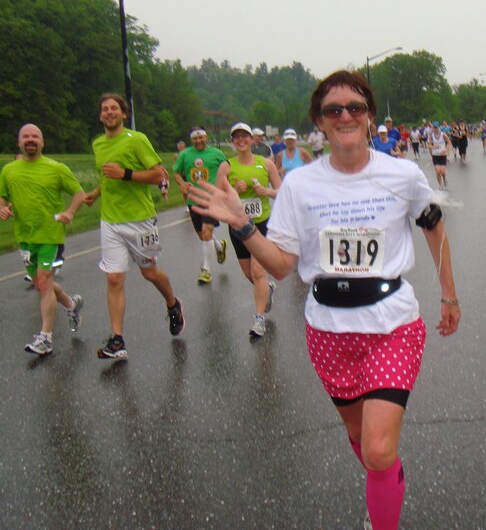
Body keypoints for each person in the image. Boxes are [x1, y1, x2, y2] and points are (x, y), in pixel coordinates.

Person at [189, 70, 460, 530]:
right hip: (329, 329)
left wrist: (449, 295)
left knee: (376, 448)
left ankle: (383, 504)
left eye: (355, 107)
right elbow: (278, 266)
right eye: (334, 110)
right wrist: (240, 224)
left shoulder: (402, 174)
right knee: (359, 437)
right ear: (320, 120)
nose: (345, 116)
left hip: (392, 321)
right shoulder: (300, 185)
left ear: (370, 117)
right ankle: (386, 476)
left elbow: (433, 224)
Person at [84, 93, 185, 359]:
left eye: (114, 108)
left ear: (124, 114)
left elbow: (159, 174)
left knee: (150, 273)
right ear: (100, 115)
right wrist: (96, 192)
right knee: (114, 277)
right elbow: (107, 178)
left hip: (140, 219)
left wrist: (126, 174)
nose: (109, 112)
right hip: (110, 221)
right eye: (104, 109)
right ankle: (117, 340)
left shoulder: (136, 140)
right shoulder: (97, 144)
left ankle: (173, 304)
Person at [0, 124, 86, 355]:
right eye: (25, 136)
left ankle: (45, 338)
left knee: (44, 281)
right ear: (18, 142)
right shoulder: (9, 170)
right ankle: (71, 304)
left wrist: (70, 212)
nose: (30, 140)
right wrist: (3, 209)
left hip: (50, 235)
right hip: (25, 238)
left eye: (35, 136)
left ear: (42, 142)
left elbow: (79, 194)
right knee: (40, 283)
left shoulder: (56, 168)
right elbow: (3, 196)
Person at [227, 122, 282, 337]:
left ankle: (259, 320)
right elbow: (220, 196)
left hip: (260, 223)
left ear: (251, 140)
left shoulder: (265, 164)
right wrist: (234, 189)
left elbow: (280, 191)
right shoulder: (227, 166)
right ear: (233, 141)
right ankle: (266, 289)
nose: (241, 140)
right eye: (237, 137)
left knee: (259, 271)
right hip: (237, 224)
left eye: (245, 136)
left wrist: (264, 191)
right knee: (249, 273)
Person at [172, 127, 229, 285]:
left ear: (206, 137)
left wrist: (224, 189)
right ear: (191, 140)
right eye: (195, 139)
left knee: (206, 232)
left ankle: (206, 270)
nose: (199, 141)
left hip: (212, 199)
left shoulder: (217, 154)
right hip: (193, 200)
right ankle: (219, 245)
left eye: (201, 138)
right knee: (202, 236)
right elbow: (176, 173)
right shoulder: (185, 154)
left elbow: (226, 171)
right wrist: (183, 184)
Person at [427, 120, 452, 190]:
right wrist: (432, 147)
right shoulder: (431, 136)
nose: (436, 129)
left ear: (439, 127)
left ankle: (444, 178)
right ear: (433, 128)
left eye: (437, 127)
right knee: (438, 171)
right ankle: (440, 185)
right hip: (435, 155)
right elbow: (429, 144)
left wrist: (445, 150)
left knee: (443, 172)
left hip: (442, 155)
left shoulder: (443, 134)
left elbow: (449, 142)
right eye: (434, 128)